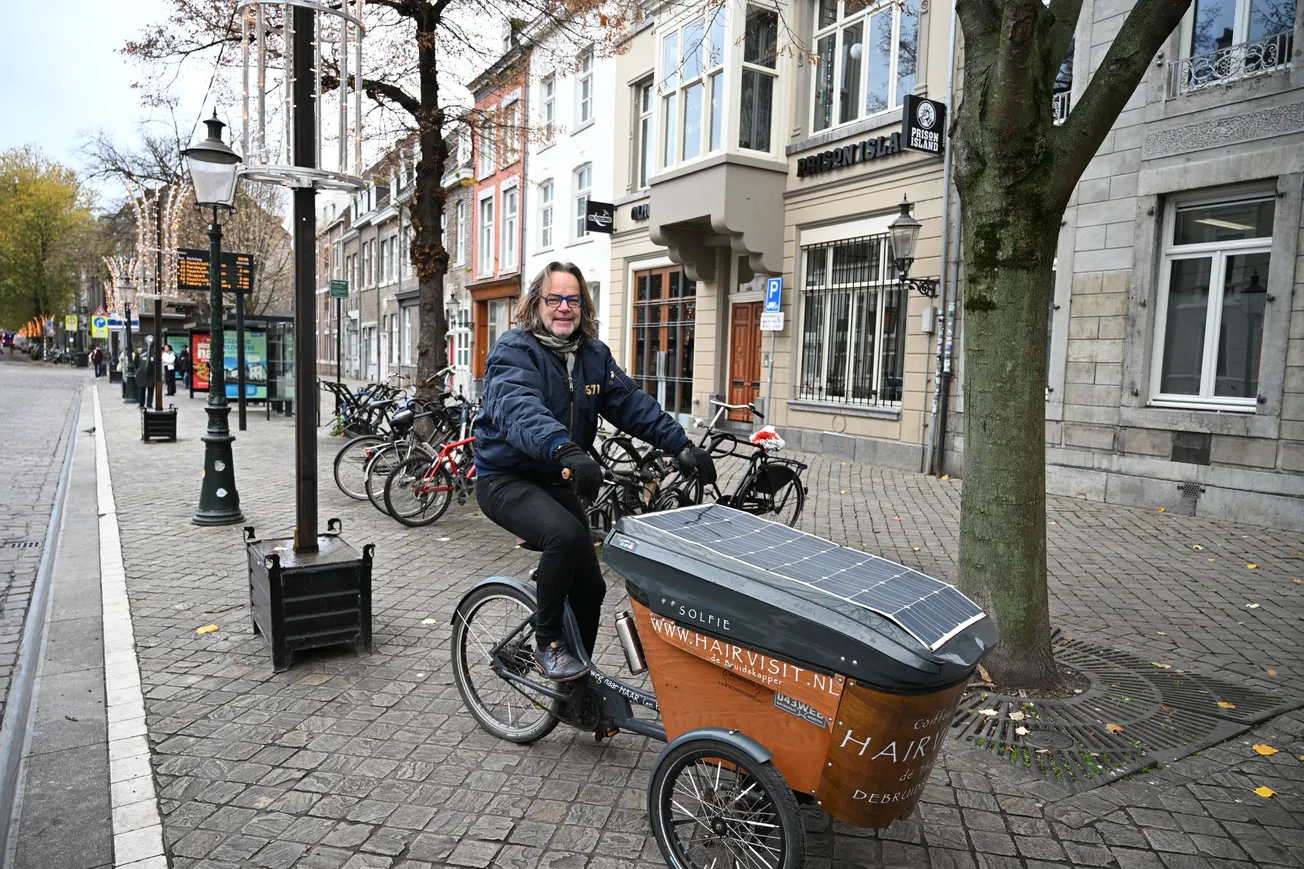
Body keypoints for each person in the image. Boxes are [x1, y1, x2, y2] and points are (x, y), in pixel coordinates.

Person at [473, 262, 716, 682]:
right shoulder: (515, 350)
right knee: (564, 536)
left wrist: (681, 445)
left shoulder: (593, 356)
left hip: (559, 478)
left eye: (573, 300)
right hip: (506, 479)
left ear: (584, 306)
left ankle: (576, 682)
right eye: (554, 299)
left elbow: (631, 404)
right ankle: (548, 643)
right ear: (536, 304)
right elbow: (518, 409)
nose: (564, 308)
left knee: (592, 588)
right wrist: (564, 448)